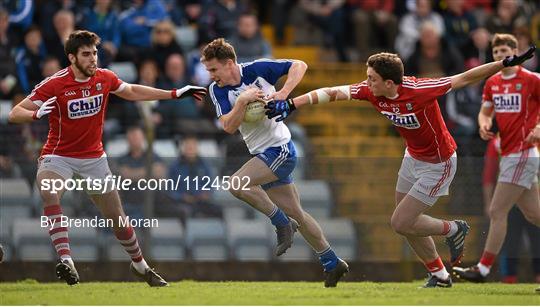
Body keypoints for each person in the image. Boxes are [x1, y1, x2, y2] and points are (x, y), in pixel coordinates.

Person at [265, 46, 536, 287]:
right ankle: (440, 275)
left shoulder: (419, 90)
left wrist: (503, 64)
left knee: (400, 222)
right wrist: (291, 104)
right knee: (408, 224)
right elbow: (331, 92)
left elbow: (464, 78)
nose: (366, 82)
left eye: (371, 78)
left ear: (390, 82)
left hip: (439, 163)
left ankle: (454, 229)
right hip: (412, 158)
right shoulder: (371, 92)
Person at [8, 30, 207, 286]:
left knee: (117, 217)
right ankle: (66, 260)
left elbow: (132, 91)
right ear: (72, 58)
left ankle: (140, 265)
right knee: (49, 191)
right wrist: (35, 115)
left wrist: (175, 93)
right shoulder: (55, 84)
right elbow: (15, 113)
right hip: (58, 155)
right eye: (86, 54)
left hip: (93, 158)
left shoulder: (104, 78)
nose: (93, 59)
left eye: (95, 53)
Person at [202, 38, 348, 287]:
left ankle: (281, 224)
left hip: (280, 150)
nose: (211, 75)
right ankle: (332, 262)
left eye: (214, 69)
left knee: (236, 184)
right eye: (209, 71)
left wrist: (282, 94)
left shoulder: (258, 69)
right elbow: (228, 125)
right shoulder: (217, 90)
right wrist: (242, 101)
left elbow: (299, 65)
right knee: (298, 214)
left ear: (229, 64)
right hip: (264, 154)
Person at [453, 34, 540, 283]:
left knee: (497, 209)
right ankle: (482, 269)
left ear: (516, 51)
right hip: (510, 153)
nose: (501, 56)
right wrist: (484, 124)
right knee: (534, 215)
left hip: (522, 152)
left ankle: (482, 269)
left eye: (505, 51)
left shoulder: (532, 80)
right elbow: (485, 111)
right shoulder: (492, 82)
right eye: (497, 52)